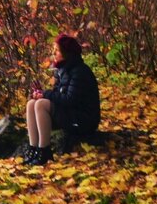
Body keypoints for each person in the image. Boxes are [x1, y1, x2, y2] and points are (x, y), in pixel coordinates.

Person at [22, 34, 100, 166]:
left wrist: (45, 94)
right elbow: (58, 94)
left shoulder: (80, 72)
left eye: (57, 50)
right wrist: (41, 93)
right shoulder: (62, 69)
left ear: (67, 53)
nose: (54, 53)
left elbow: (70, 100)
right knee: (31, 104)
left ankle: (44, 150)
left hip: (83, 120)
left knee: (41, 104)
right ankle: (33, 148)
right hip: (70, 114)